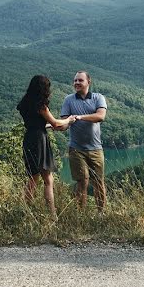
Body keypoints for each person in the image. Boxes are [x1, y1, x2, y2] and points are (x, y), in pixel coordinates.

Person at [17, 75, 76, 217]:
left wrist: (49, 125)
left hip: (29, 138)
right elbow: (55, 123)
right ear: (43, 88)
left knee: (34, 177)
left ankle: (26, 212)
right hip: (39, 140)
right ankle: (52, 214)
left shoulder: (24, 103)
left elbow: (36, 123)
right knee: (45, 179)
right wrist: (69, 120)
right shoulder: (41, 105)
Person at [59, 71, 107, 210]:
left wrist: (79, 117)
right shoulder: (68, 100)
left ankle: (101, 213)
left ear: (88, 82)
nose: (77, 83)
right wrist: (58, 126)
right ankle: (81, 214)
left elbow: (100, 116)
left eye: (80, 80)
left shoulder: (98, 97)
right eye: (75, 81)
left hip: (96, 148)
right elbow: (66, 122)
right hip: (76, 149)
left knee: (98, 182)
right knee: (82, 182)